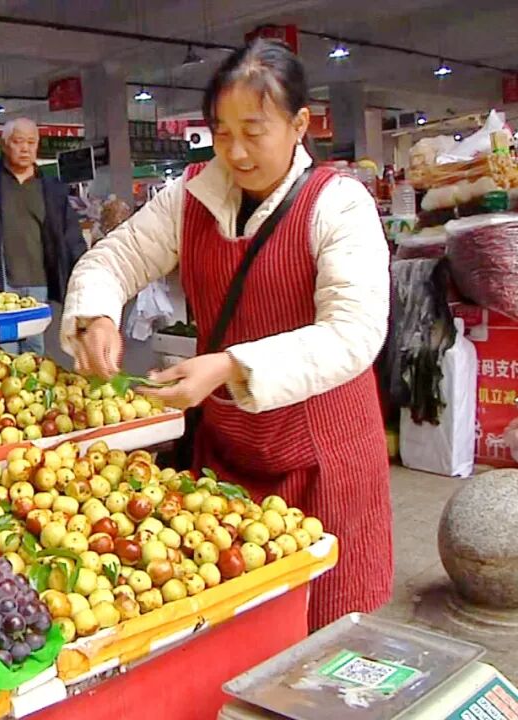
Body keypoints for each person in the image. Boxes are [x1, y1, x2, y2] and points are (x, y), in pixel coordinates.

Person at [61, 39, 392, 630]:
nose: (235, 152)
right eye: (221, 132)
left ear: (299, 124)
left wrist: (231, 366)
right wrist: (97, 315)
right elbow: (114, 258)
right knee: (234, 624)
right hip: (229, 454)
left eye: (253, 132)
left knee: (327, 627)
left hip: (324, 456)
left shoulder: (340, 205)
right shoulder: (192, 197)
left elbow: (353, 332)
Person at [0, 117, 87, 356]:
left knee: (35, 351)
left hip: (39, 284)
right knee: (4, 352)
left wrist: (84, 272)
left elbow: (70, 235)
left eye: (31, 142)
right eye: (18, 142)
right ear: (5, 145)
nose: (25, 148)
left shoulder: (51, 188)